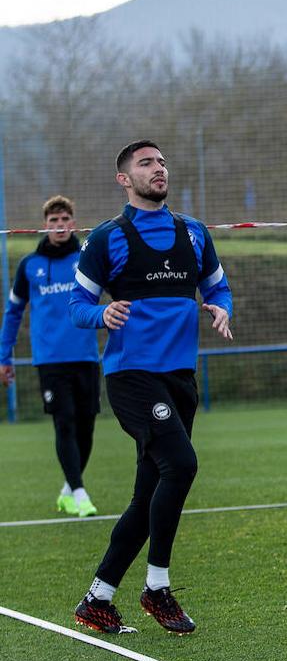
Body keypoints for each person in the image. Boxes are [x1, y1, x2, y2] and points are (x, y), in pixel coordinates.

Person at [68, 140, 233, 635]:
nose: (158, 168)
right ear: (124, 179)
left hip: (180, 378)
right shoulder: (107, 238)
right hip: (132, 376)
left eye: (161, 161)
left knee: (150, 493)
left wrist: (223, 306)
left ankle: (97, 599)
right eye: (146, 163)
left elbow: (217, 286)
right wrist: (102, 313)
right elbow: (77, 306)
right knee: (181, 465)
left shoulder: (194, 232)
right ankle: (157, 587)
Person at [1, 196, 103, 517]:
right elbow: (13, 312)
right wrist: (4, 356)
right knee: (65, 424)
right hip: (50, 360)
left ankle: (68, 490)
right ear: (44, 225)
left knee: (86, 427)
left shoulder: (87, 259)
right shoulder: (29, 266)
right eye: (53, 221)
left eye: (64, 220)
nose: (59, 226)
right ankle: (81, 493)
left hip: (86, 356)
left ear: (73, 222)